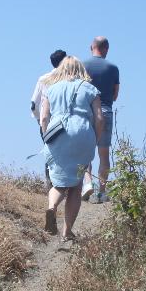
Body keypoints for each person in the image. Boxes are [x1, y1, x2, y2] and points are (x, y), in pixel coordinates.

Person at [39, 56, 104, 243]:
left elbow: (44, 118)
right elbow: (99, 118)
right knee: (75, 185)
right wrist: (95, 138)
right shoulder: (90, 89)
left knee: (58, 182)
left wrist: (47, 137)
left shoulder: (51, 89)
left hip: (58, 133)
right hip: (83, 133)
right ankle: (67, 232)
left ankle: (52, 207)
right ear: (80, 69)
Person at [81, 36, 120, 203]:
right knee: (104, 154)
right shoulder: (113, 68)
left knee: (84, 152)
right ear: (106, 49)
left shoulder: (82, 66)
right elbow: (115, 95)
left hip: (85, 111)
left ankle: (87, 183)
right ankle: (102, 192)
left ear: (92, 47)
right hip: (105, 112)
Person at [30, 49, 68, 190]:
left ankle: (50, 183)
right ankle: (66, 184)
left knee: (50, 151)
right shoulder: (68, 79)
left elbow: (33, 105)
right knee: (66, 151)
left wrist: (39, 119)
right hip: (64, 121)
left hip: (46, 121)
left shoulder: (43, 79)